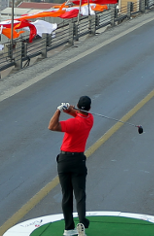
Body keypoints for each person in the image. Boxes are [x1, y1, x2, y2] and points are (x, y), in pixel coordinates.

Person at [48, 95, 94, 236]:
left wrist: (59, 110)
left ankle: (69, 228)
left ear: (78, 105)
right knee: (80, 194)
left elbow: (52, 126)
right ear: (89, 108)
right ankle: (81, 223)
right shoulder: (90, 119)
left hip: (64, 160)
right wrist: (69, 110)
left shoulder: (71, 124)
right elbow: (80, 115)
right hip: (78, 161)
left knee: (66, 195)